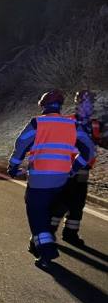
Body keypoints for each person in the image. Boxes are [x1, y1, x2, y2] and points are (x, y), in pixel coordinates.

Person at [7, 90, 94, 269]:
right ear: (60, 106)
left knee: (37, 217)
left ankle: (47, 253)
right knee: (50, 214)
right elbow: (88, 151)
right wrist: (74, 168)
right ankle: (40, 244)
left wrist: (13, 167)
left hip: (39, 181)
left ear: (43, 105)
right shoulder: (72, 125)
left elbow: (21, 145)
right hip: (62, 181)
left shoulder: (37, 123)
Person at [51, 90, 103, 246]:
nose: (88, 106)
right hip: (65, 169)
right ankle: (48, 232)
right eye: (84, 103)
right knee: (61, 202)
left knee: (78, 203)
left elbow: (101, 141)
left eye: (90, 103)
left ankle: (70, 234)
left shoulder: (94, 124)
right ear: (77, 104)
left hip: (83, 170)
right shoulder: (68, 122)